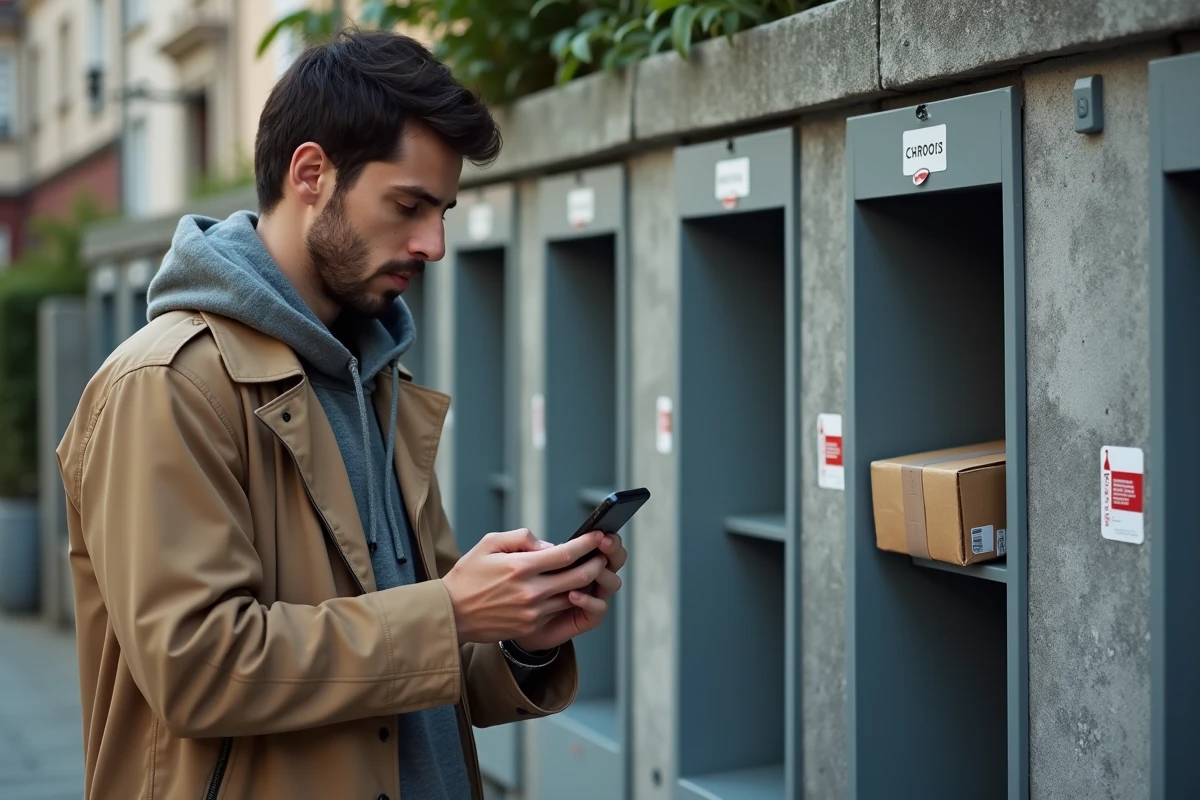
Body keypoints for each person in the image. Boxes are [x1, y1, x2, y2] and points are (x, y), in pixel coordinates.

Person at [56, 28, 627, 800]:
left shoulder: (375, 379)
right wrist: (452, 612)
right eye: (409, 205)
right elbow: (196, 670)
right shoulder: (168, 383)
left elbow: (411, 669)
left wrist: (518, 636)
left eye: (444, 210)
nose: (435, 243)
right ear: (312, 173)